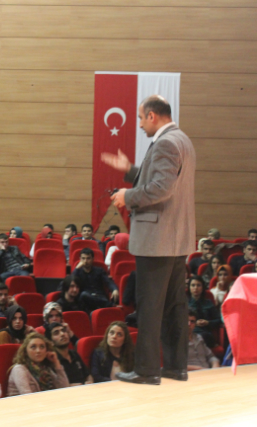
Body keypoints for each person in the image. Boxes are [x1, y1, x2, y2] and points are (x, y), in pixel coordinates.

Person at [103, 95, 195, 385]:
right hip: (175, 238)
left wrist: (126, 195)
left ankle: (147, 370)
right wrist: (130, 169)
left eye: (142, 118)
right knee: (173, 306)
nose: (141, 124)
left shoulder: (166, 143)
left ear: (153, 116)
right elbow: (158, 179)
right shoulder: (183, 140)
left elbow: (160, 188)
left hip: (158, 239)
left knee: (151, 307)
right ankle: (176, 367)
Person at [46, 322, 93, 386]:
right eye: (56, 333)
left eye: (63, 331)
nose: (62, 334)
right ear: (51, 342)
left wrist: (90, 382)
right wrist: (70, 387)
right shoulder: (52, 359)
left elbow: (88, 375)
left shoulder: (74, 353)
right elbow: (53, 386)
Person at [72, 248, 118, 312]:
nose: (85, 261)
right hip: (85, 300)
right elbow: (70, 282)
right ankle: (110, 305)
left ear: (93, 259)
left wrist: (114, 289)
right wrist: (76, 268)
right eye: (83, 258)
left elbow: (108, 281)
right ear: (80, 259)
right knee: (83, 295)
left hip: (99, 296)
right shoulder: (78, 272)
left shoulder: (99, 270)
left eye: (88, 258)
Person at [187, 275, 221, 348]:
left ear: (202, 287)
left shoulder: (208, 302)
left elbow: (218, 320)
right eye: (193, 285)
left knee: (203, 337)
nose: (195, 288)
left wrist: (208, 322)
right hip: (190, 332)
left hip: (205, 333)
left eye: (198, 285)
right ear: (189, 288)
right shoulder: (185, 303)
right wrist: (194, 323)